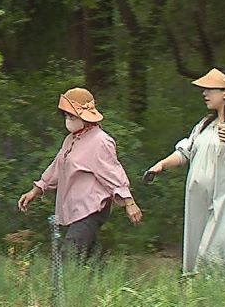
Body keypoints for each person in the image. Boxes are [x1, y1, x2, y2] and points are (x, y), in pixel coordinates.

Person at [144, 68, 225, 275]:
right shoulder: (205, 124)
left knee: (219, 252)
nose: (205, 93)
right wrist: (161, 165)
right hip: (201, 200)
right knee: (201, 245)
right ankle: (202, 289)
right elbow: (186, 151)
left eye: (211, 89)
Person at [17, 87, 142, 261]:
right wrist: (35, 191)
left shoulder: (100, 141)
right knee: (91, 260)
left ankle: (68, 279)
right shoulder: (71, 139)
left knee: (68, 258)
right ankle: (103, 275)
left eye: (72, 116)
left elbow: (113, 172)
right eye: (66, 115)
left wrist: (129, 203)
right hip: (75, 209)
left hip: (91, 209)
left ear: (84, 116)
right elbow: (57, 167)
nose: (68, 119)